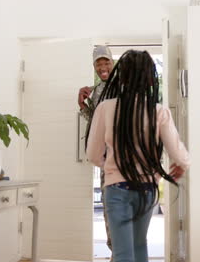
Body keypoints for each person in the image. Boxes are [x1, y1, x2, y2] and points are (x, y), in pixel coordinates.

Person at [86, 50, 190, 262]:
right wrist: (182, 165)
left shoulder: (106, 108)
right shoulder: (159, 111)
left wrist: (112, 167)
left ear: (121, 76)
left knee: (123, 252)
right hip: (147, 190)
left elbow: (93, 154)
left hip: (117, 189)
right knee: (140, 247)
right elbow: (178, 154)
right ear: (151, 78)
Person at [78, 45, 114, 257]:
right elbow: (94, 122)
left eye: (105, 62)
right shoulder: (97, 90)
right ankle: (115, 252)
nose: (102, 67)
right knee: (109, 207)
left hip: (125, 156)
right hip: (105, 158)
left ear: (112, 63)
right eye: (98, 64)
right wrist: (83, 105)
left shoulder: (125, 85)